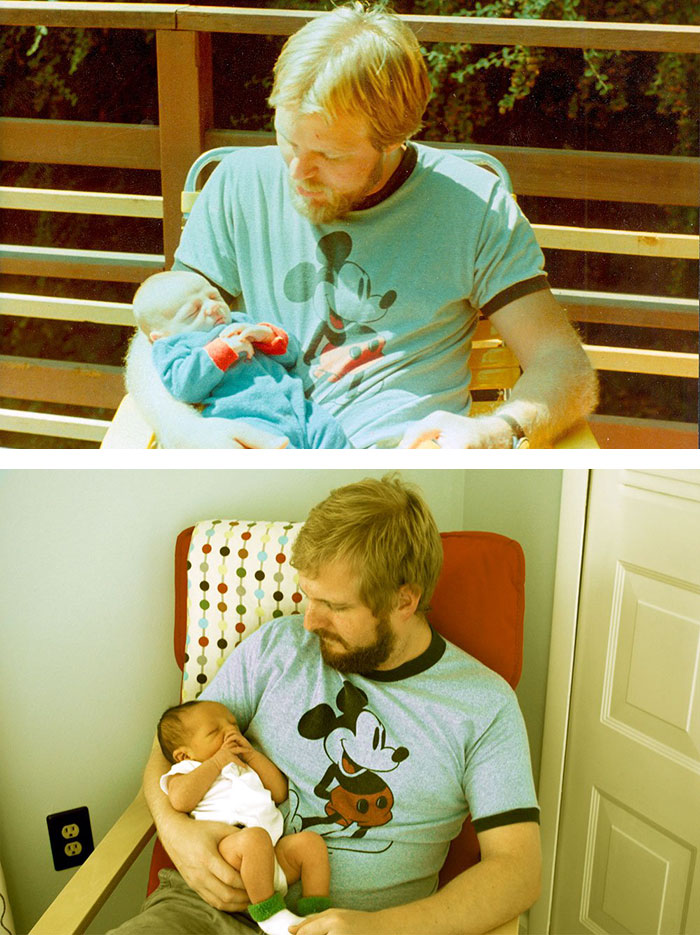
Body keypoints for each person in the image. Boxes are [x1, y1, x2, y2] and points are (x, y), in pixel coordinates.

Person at [125, 1, 597, 450]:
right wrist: (182, 431)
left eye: (330, 156)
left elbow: (562, 363)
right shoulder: (237, 184)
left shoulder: (474, 206)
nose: (296, 173)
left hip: (398, 468)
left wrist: (497, 431)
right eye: (288, 141)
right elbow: (156, 337)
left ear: (394, 139)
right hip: (260, 457)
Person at [109, 475, 541, 935]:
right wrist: (177, 836)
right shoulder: (277, 645)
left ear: (404, 600)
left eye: (333, 606)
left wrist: (382, 929)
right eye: (307, 596)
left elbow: (517, 871)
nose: (309, 621)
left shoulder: (482, 705)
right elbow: (173, 744)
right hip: (205, 914)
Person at [157, 699, 332, 935]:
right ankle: (270, 915)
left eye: (232, 725)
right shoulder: (187, 770)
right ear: (184, 755)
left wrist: (251, 756)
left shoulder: (244, 764)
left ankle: (316, 913)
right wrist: (217, 761)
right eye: (214, 731)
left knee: (310, 844)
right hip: (229, 854)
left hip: (271, 857)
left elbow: (279, 792)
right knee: (254, 839)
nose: (230, 731)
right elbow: (180, 800)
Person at [131, 270, 352, 449]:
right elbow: (184, 387)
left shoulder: (239, 321)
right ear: (160, 336)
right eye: (193, 311)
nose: (212, 307)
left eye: (213, 296)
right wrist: (221, 352)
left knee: (330, 431)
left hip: (300, 409)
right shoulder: (174, 347)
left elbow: (292, 356)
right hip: (250, 419)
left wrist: (267, 336)